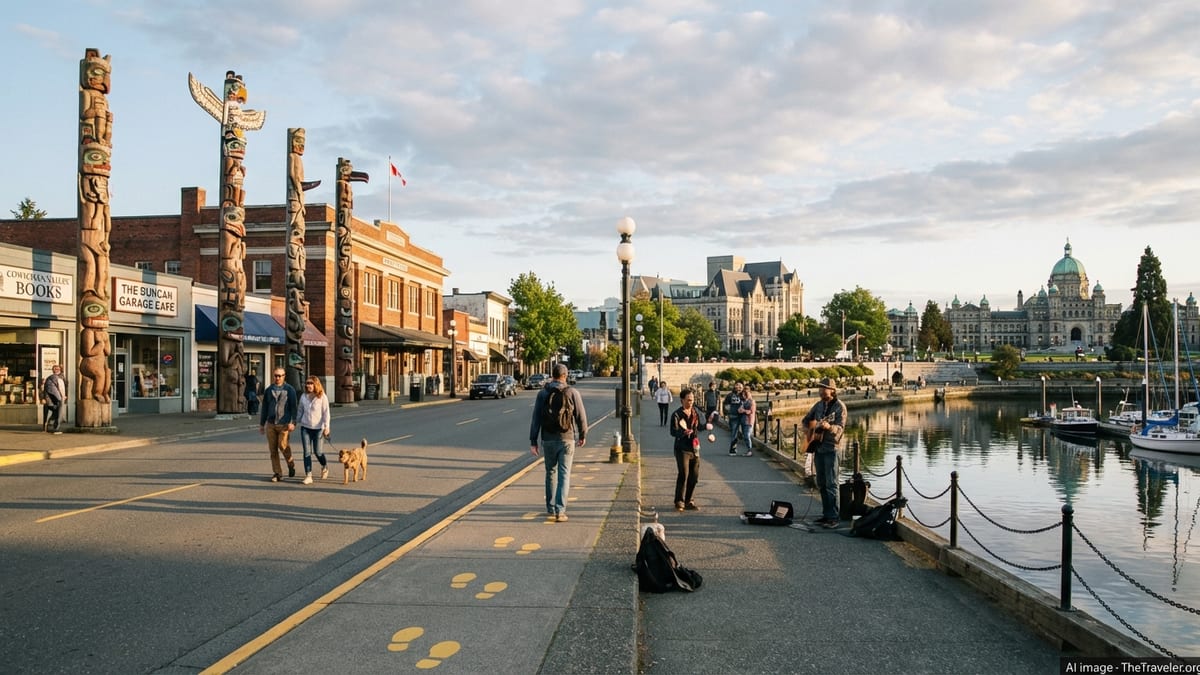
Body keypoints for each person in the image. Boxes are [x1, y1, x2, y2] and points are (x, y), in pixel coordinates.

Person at [529, 363, 588, 522]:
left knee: (550, 472)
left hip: (547, 439)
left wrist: (533, 441)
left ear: (552, 375)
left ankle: (550, 506)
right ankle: (560, 510)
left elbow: (536, 419)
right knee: (564, 474)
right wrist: (582, 434)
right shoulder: (572, 392)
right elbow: (581, 416)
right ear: (565, 376)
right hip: (567, 438)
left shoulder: (543, 394)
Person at [801, 378, 848, 528]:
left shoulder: (840, 407)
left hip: (832, 449)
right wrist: (809, 431)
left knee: (831, 483)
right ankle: (826, 514)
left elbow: (840, 430)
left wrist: (829, 427)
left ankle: (833, 517)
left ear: (832, 390)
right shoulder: (819, 405)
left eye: (823, 388)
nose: (820, 391)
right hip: (818, 447)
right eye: (820, 388)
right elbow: (806, 419)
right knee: (821, 482)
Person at [259, 368, 298, 482]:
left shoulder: (290, 390)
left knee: (283, 445)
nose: (277, 378)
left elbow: (293, 407)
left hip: (284, 424)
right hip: (271, 424)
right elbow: (265, 408)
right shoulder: (269, 390)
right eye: (276, 375)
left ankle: (290, 464)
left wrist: (293, 422)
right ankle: (277, 473)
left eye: (280, 376)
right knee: (273, 450)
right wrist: (262, 424)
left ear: (284, 376)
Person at [669, 387, 703, 511]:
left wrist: (709, 423)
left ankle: (689, 500)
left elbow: (701, 426)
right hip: (682, 448)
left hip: (694, 447)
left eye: (692, 400)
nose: (691, 402)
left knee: (694, 476)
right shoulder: (677, 414)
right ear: (682, 400)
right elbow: (673, 431)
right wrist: (683, 432)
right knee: (683, 473)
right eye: (688, 400)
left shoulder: (696, 412)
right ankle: (679, 500)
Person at [297, 376, 331, 485]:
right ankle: (308, 475)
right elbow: (300, 411)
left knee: (318, 452)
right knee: (307, 452)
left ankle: (324, 466)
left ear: (316, 384)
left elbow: (326, 413)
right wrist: (294, 422)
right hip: (305, 427)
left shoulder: (322, 397)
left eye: (311, 383)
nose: (308, 385)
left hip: (318, 429)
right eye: (307, 383)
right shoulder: (303, 396)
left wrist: (327, 427)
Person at [723, 381, 747, 456]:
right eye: (737, 385)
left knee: (745, 433)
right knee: (734, 433)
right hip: (734, 417)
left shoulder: (745, 395)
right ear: (734, 386)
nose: (739, 387)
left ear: (743, 387)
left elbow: (750, 403)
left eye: (740, 386)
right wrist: (728, 412)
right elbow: (726, 404)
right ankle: (732, 449)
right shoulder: (730, 395)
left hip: (743, 416)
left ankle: (748, 449)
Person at [41, 365, 67, 433]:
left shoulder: (49, 378)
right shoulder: (59, 378)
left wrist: (44, 398)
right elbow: (61, 388)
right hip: (55, 398)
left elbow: (45, 389)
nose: (56, 370)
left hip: (50, 399)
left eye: (57, 369)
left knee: (54, 410)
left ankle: (48, 425)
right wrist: (63, 397)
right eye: (55, 369)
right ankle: (55, 428)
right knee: (58, 410)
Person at [735, 386, 756, 456]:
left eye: (746, 393)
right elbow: (739, 409)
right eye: (744, 394)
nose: (745, 395)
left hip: (749, 421)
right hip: (743, 420)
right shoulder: (744, 402)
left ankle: (750, 450)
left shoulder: (752, 401)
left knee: (747, 435)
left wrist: (744, 411)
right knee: (745, 435)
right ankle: (748, 450)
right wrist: (741, 410)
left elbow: (751, 411)